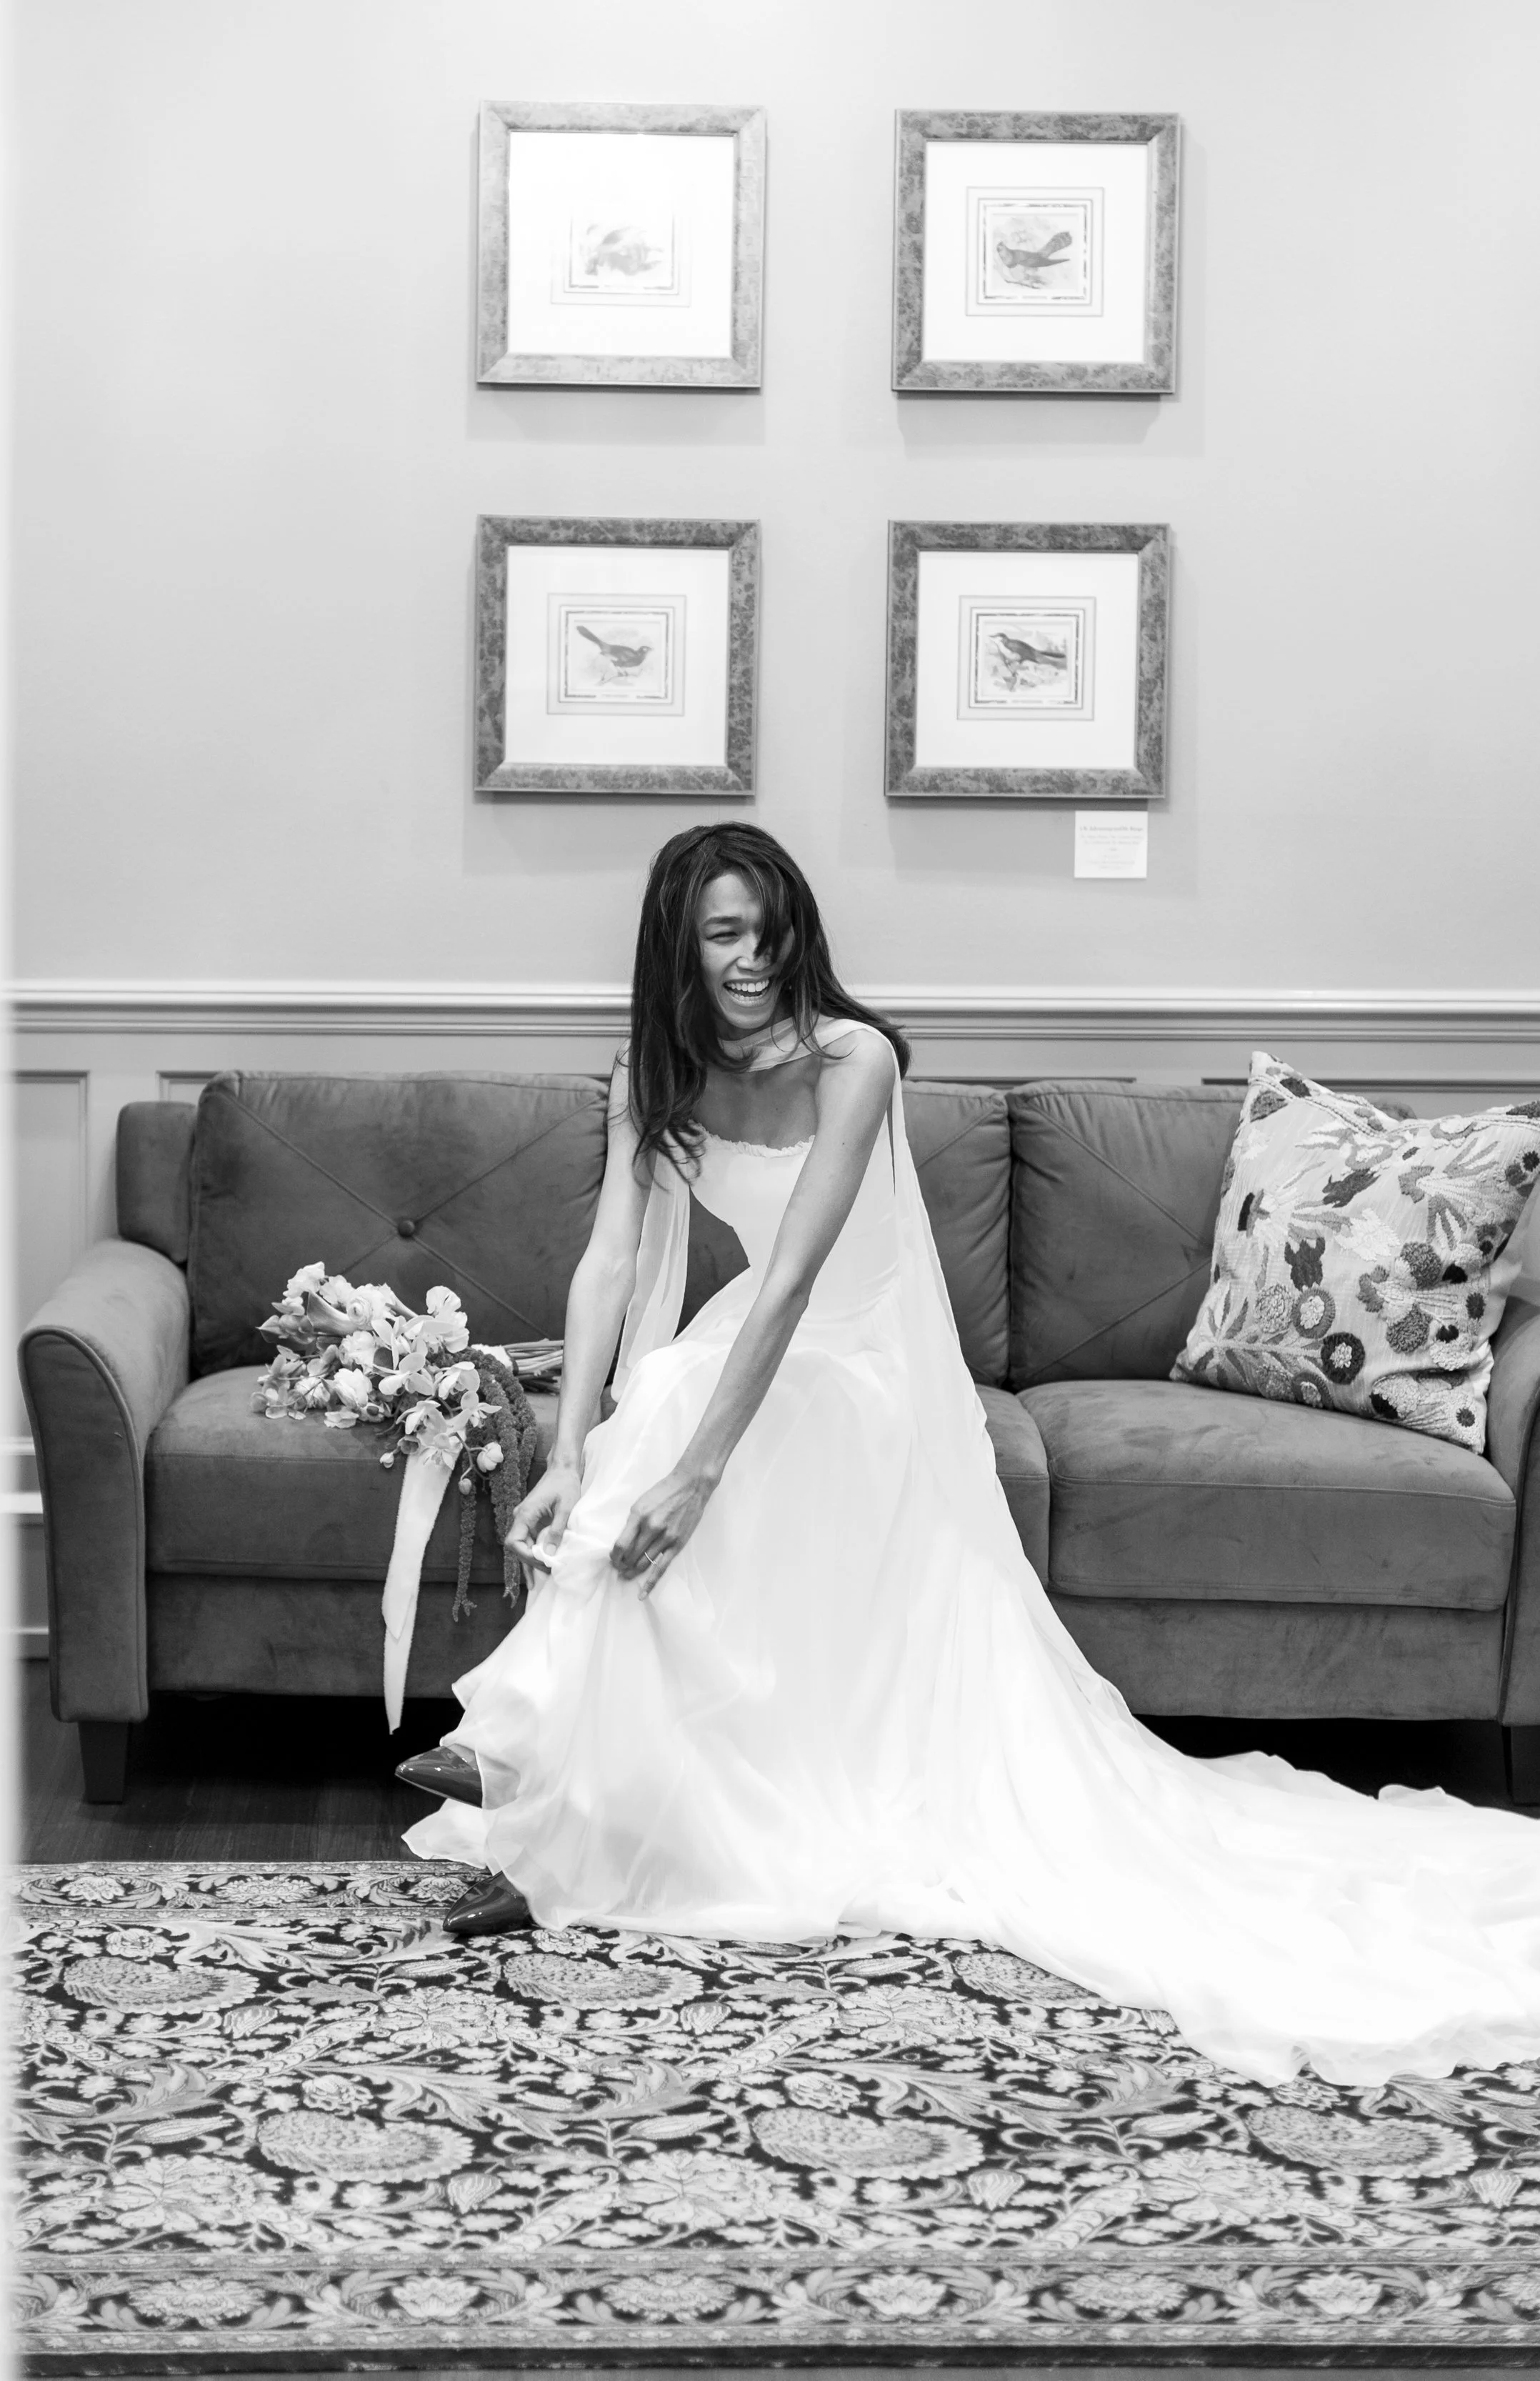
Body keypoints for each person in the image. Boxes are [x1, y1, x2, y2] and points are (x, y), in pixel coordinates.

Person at [401, 824, 1540, 2085]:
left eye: (769, 929)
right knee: (656, 1393)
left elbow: (791, 1284)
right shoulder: (649, 1079)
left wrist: (696, 1470)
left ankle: (539, 1780)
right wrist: (566, 1453)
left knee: (680, 1418)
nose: (752, 958)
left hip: (862, 1360)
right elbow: (610, 1261)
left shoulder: (855, 1060)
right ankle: (560, 1791)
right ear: (677, 942)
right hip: (759, 1348)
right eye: (723, 933)